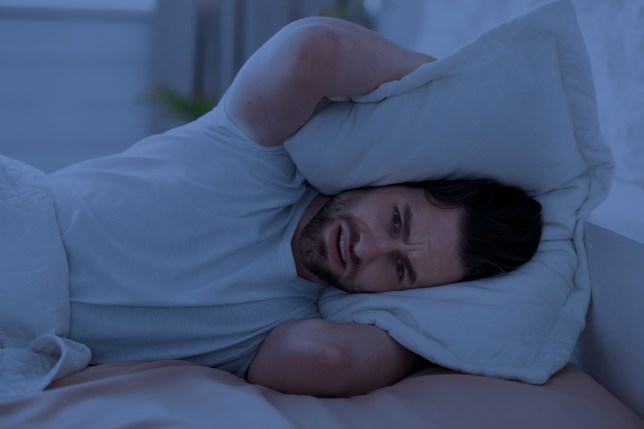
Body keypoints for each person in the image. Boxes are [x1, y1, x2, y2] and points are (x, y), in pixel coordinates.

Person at [44, 17, 542, 397]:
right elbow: (315, 51)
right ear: (392, 179)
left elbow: (332, 361)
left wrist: (431, 325)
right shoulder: (257, 159)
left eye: (400, 269)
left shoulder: (278, 324)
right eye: (395, 219)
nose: (368, 248)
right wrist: (447, 90)